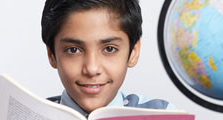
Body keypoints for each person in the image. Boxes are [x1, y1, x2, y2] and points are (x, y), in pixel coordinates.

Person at [41, 0, 176, 118]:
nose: (92, 69)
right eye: (73, 50)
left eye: (109, 49)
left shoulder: (163, 114)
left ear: (133, 52)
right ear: (51, 55)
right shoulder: (33, 114)